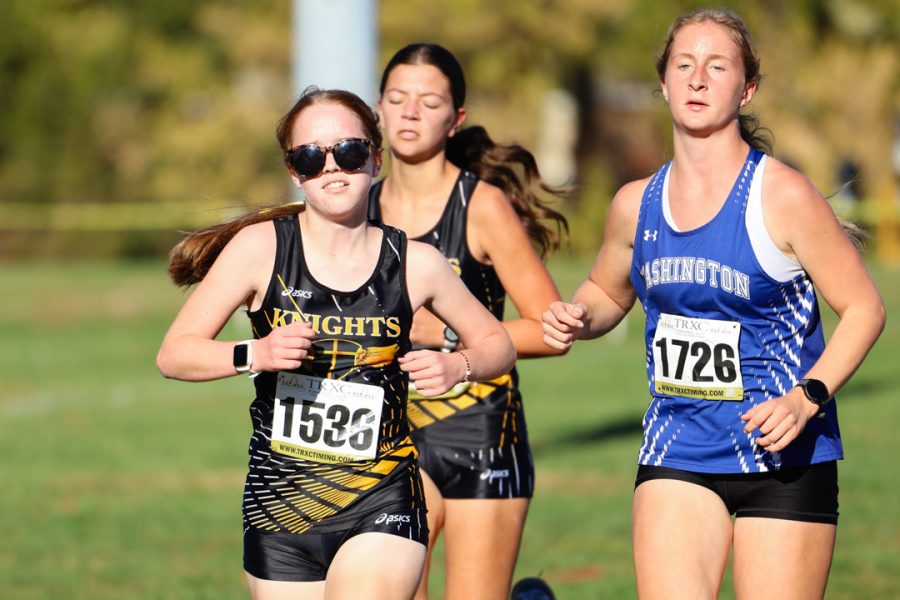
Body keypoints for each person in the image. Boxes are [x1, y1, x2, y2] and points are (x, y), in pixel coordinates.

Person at [542, 8, 885, 599]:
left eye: (716, 65)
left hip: (781, 454)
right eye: (684, 64)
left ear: (746, 89)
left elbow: (864, 308)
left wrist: (807, 399)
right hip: (678, 446)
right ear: (665, 81)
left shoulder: (782, 195)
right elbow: (605, 291)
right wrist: (577, 316)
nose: (698, 78)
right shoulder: (635, 204)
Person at [156, 87, 516, 600]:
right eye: (310, 156)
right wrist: (253, 354)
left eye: (347, 151)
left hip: (382, 495)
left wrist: (460, 365)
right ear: (294, 169)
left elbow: (496, 343)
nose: (332, 167)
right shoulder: (260, 248)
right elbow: (175, 353)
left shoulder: (417, 262)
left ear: (375, 156)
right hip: (280, 505)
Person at [369, 43, 568, 600]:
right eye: (397, 98)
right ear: (378, 109)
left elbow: (551, 331)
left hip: (482, 433)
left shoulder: (480, 205)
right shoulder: (356, 208)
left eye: (428, 102)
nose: (410, 112)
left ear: (456, 119)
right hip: (389, 432)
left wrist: (451, 338)